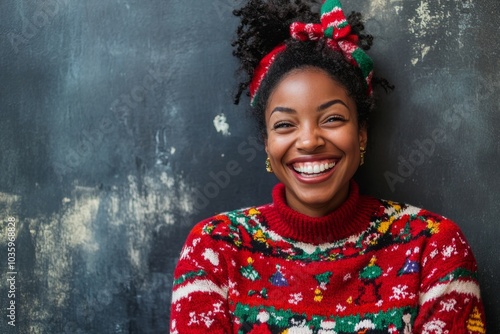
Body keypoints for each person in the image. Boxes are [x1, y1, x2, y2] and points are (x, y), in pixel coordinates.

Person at [169, 0, 486, 333]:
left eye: (332, 118)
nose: (309, 141)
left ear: (361, 134)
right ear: (266, 143)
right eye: (284, 125)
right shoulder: (216, 250)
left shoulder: (432, 248)